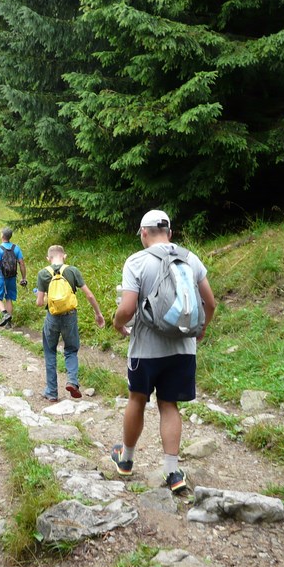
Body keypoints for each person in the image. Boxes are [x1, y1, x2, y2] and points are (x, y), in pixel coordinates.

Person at [111, 210, 216, 494]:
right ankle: (172, 472)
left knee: (137, 399)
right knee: (169, 405)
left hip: (146, 349)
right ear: (169, 233)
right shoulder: (191, 258)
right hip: (183, 349)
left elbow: (128, 308)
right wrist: (201, 329)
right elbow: (210, 303)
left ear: (144, 233)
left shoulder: (136, 261)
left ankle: (126, 459)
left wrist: (117, 323)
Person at [35, 245, 105, 401]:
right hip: (70, 316)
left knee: (50, 351)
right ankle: (72, 381)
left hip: (52, 317)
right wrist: (98, 313)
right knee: (71, 350)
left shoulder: (43, 274)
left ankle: (52, 392)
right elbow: (89, 295)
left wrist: (44, 296)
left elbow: (39, 303)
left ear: (48, 258)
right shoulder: (73, 271)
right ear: (64, 256)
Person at [0, 226, 27, 327]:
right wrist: (23, 278)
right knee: (9, 298)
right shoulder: (16, 248)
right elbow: (22, 263)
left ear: (2, 236)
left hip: (1, 277)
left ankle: (5, 314)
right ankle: (9, 324)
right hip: (12, 277)